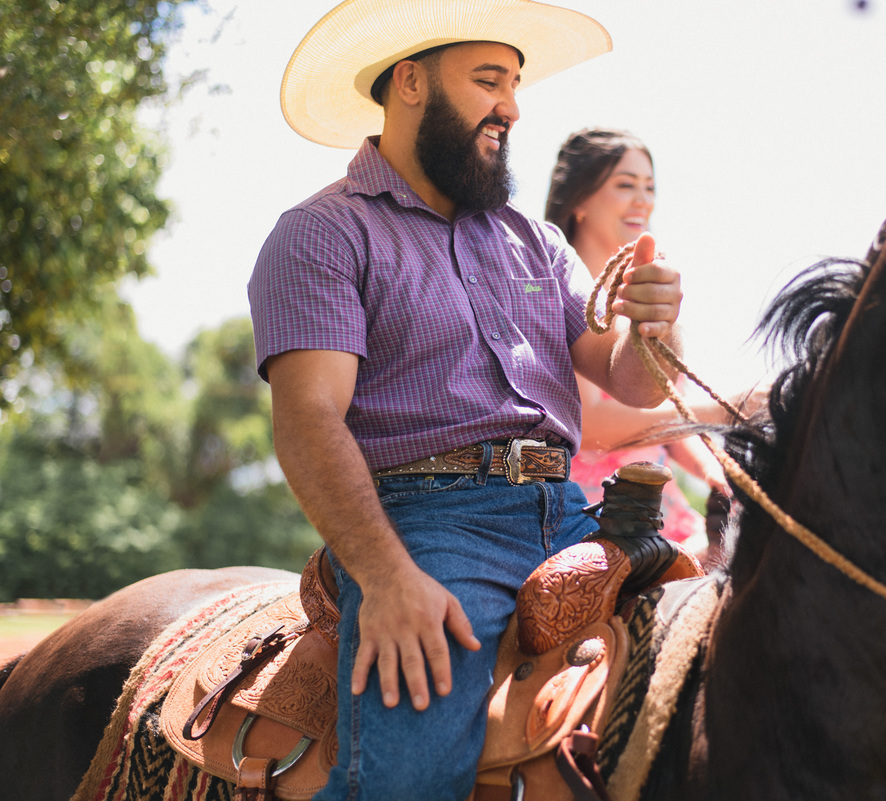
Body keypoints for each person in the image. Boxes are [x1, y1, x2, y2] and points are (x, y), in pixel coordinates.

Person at [246, 2, 683, 799]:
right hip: (429, 527)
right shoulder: (321, 234)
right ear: (410, 82)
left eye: (514, 84)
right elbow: (309, 420)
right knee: (409, 773)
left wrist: (656, 322)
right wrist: (386, 577)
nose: (511, 107)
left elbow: (629, 378)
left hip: (573, 513)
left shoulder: (537, 242)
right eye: (489, 81)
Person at [545, 127, 733, 560]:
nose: (643, 201)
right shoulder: (558, 295)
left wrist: (714, 471)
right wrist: (723, 409)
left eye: (649, 187)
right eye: (626, 185)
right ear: (578, 200)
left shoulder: (643, 297)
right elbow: (593, 426)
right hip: (590, 516)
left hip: (659, 510)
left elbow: (670, 420)